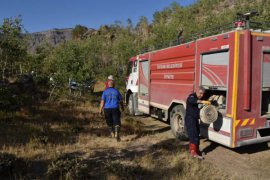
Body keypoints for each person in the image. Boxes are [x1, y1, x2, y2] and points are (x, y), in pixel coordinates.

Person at [185, 86, 210, 159]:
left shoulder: (198, 97)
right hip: (190, 119)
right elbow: (191, 100)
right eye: (200, 93)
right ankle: (193, 153)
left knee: (197, 134)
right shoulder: (192, 96)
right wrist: (202, 101)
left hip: (195, 119)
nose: (201, 95)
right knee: (193, 135)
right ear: (197, 91)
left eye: (203, 94)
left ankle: (196, 150)